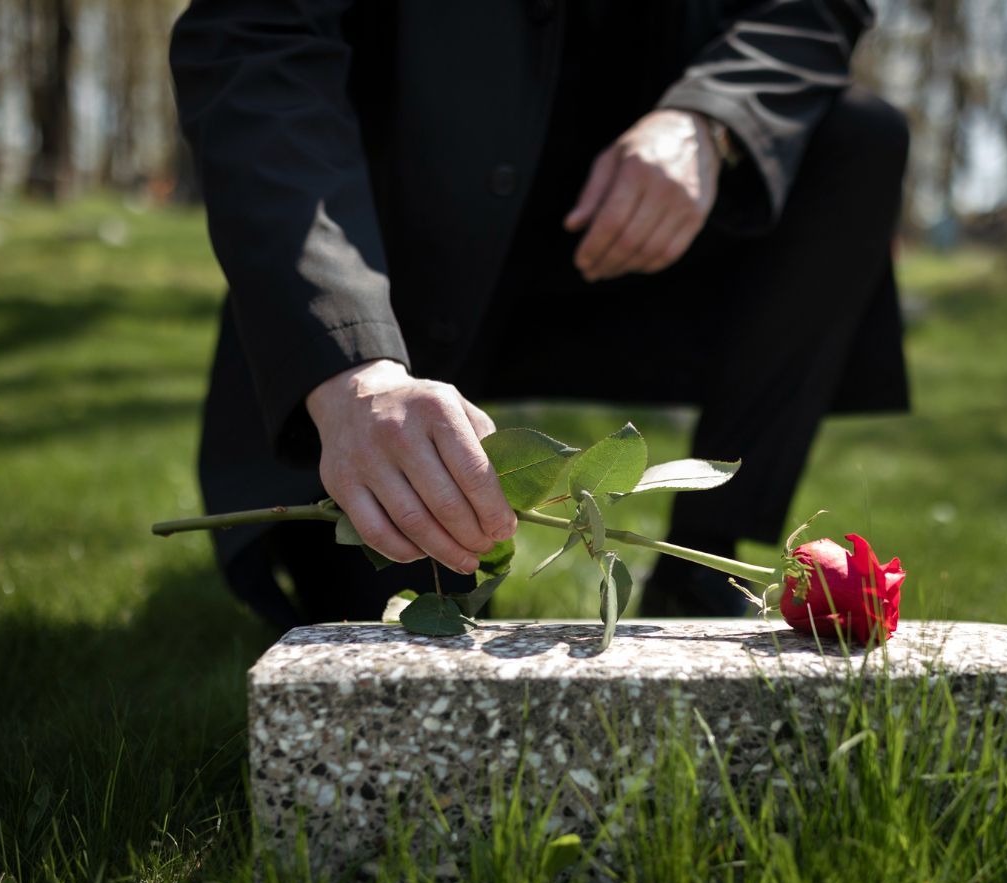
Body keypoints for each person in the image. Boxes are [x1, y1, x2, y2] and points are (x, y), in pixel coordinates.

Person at [169, 1, 910, 630]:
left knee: (857, 136)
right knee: (395, 607)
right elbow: (256, 44)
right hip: (398, 282)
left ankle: (704, 571)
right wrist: (347, 360)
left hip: (638, 256)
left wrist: (710, 117)